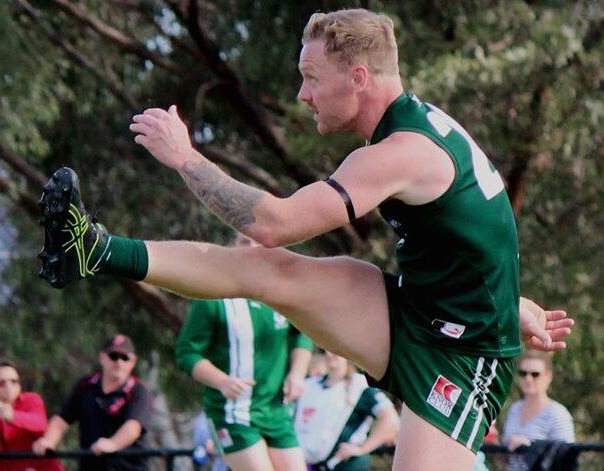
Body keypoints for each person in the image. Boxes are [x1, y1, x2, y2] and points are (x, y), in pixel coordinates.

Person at [36, 8, 574, 471]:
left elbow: (273, 222)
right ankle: (92, 249)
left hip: (464, 357)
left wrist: (185, 157)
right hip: (419, 314)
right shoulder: (407, 132)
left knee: (268, 245)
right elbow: (480, 232)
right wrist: (511, 303)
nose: (303, 93)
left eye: (312, 77)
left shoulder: (402, 151)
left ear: (358, 76)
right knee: (271, 270)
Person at [176, 232, 312, 471]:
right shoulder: (213, 295)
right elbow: (186, 352)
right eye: (244, 241)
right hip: (232, 413)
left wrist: (297, 374)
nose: (253, 247)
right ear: (232, 246)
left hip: (275, 411)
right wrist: (222, 381)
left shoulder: (281, 292)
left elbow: (303, 333)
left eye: (260, 241)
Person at [32, 335, 153, 471]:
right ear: (102, 358)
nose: (119, 362)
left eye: (125, 358)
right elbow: (61, 420)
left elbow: (133, 428)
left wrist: (113, 444)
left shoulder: (138, 391)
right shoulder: (85, 386)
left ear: (133, 361)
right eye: (113, 356)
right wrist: (49, 440)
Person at [294, 350, 399, 471]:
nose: (330, 353)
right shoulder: (310, 385)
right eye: (327, 348)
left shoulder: (361, 387)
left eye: (335, 349)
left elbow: (391, 420)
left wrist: (362, 449)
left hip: (346, 466)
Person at [0, 360, 65, 471]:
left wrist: (13, 416)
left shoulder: (32, 399)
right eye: (2, 383)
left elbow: (40, 423)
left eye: (14, 381)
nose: (9, 387)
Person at [501, 350, 575, 471]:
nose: (528, 379)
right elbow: (506, 456)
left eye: (535, 374)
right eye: (523, 373)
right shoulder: (514, 409)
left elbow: (565, 458)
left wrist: (530, 448)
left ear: (548, 376)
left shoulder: (558, 414)